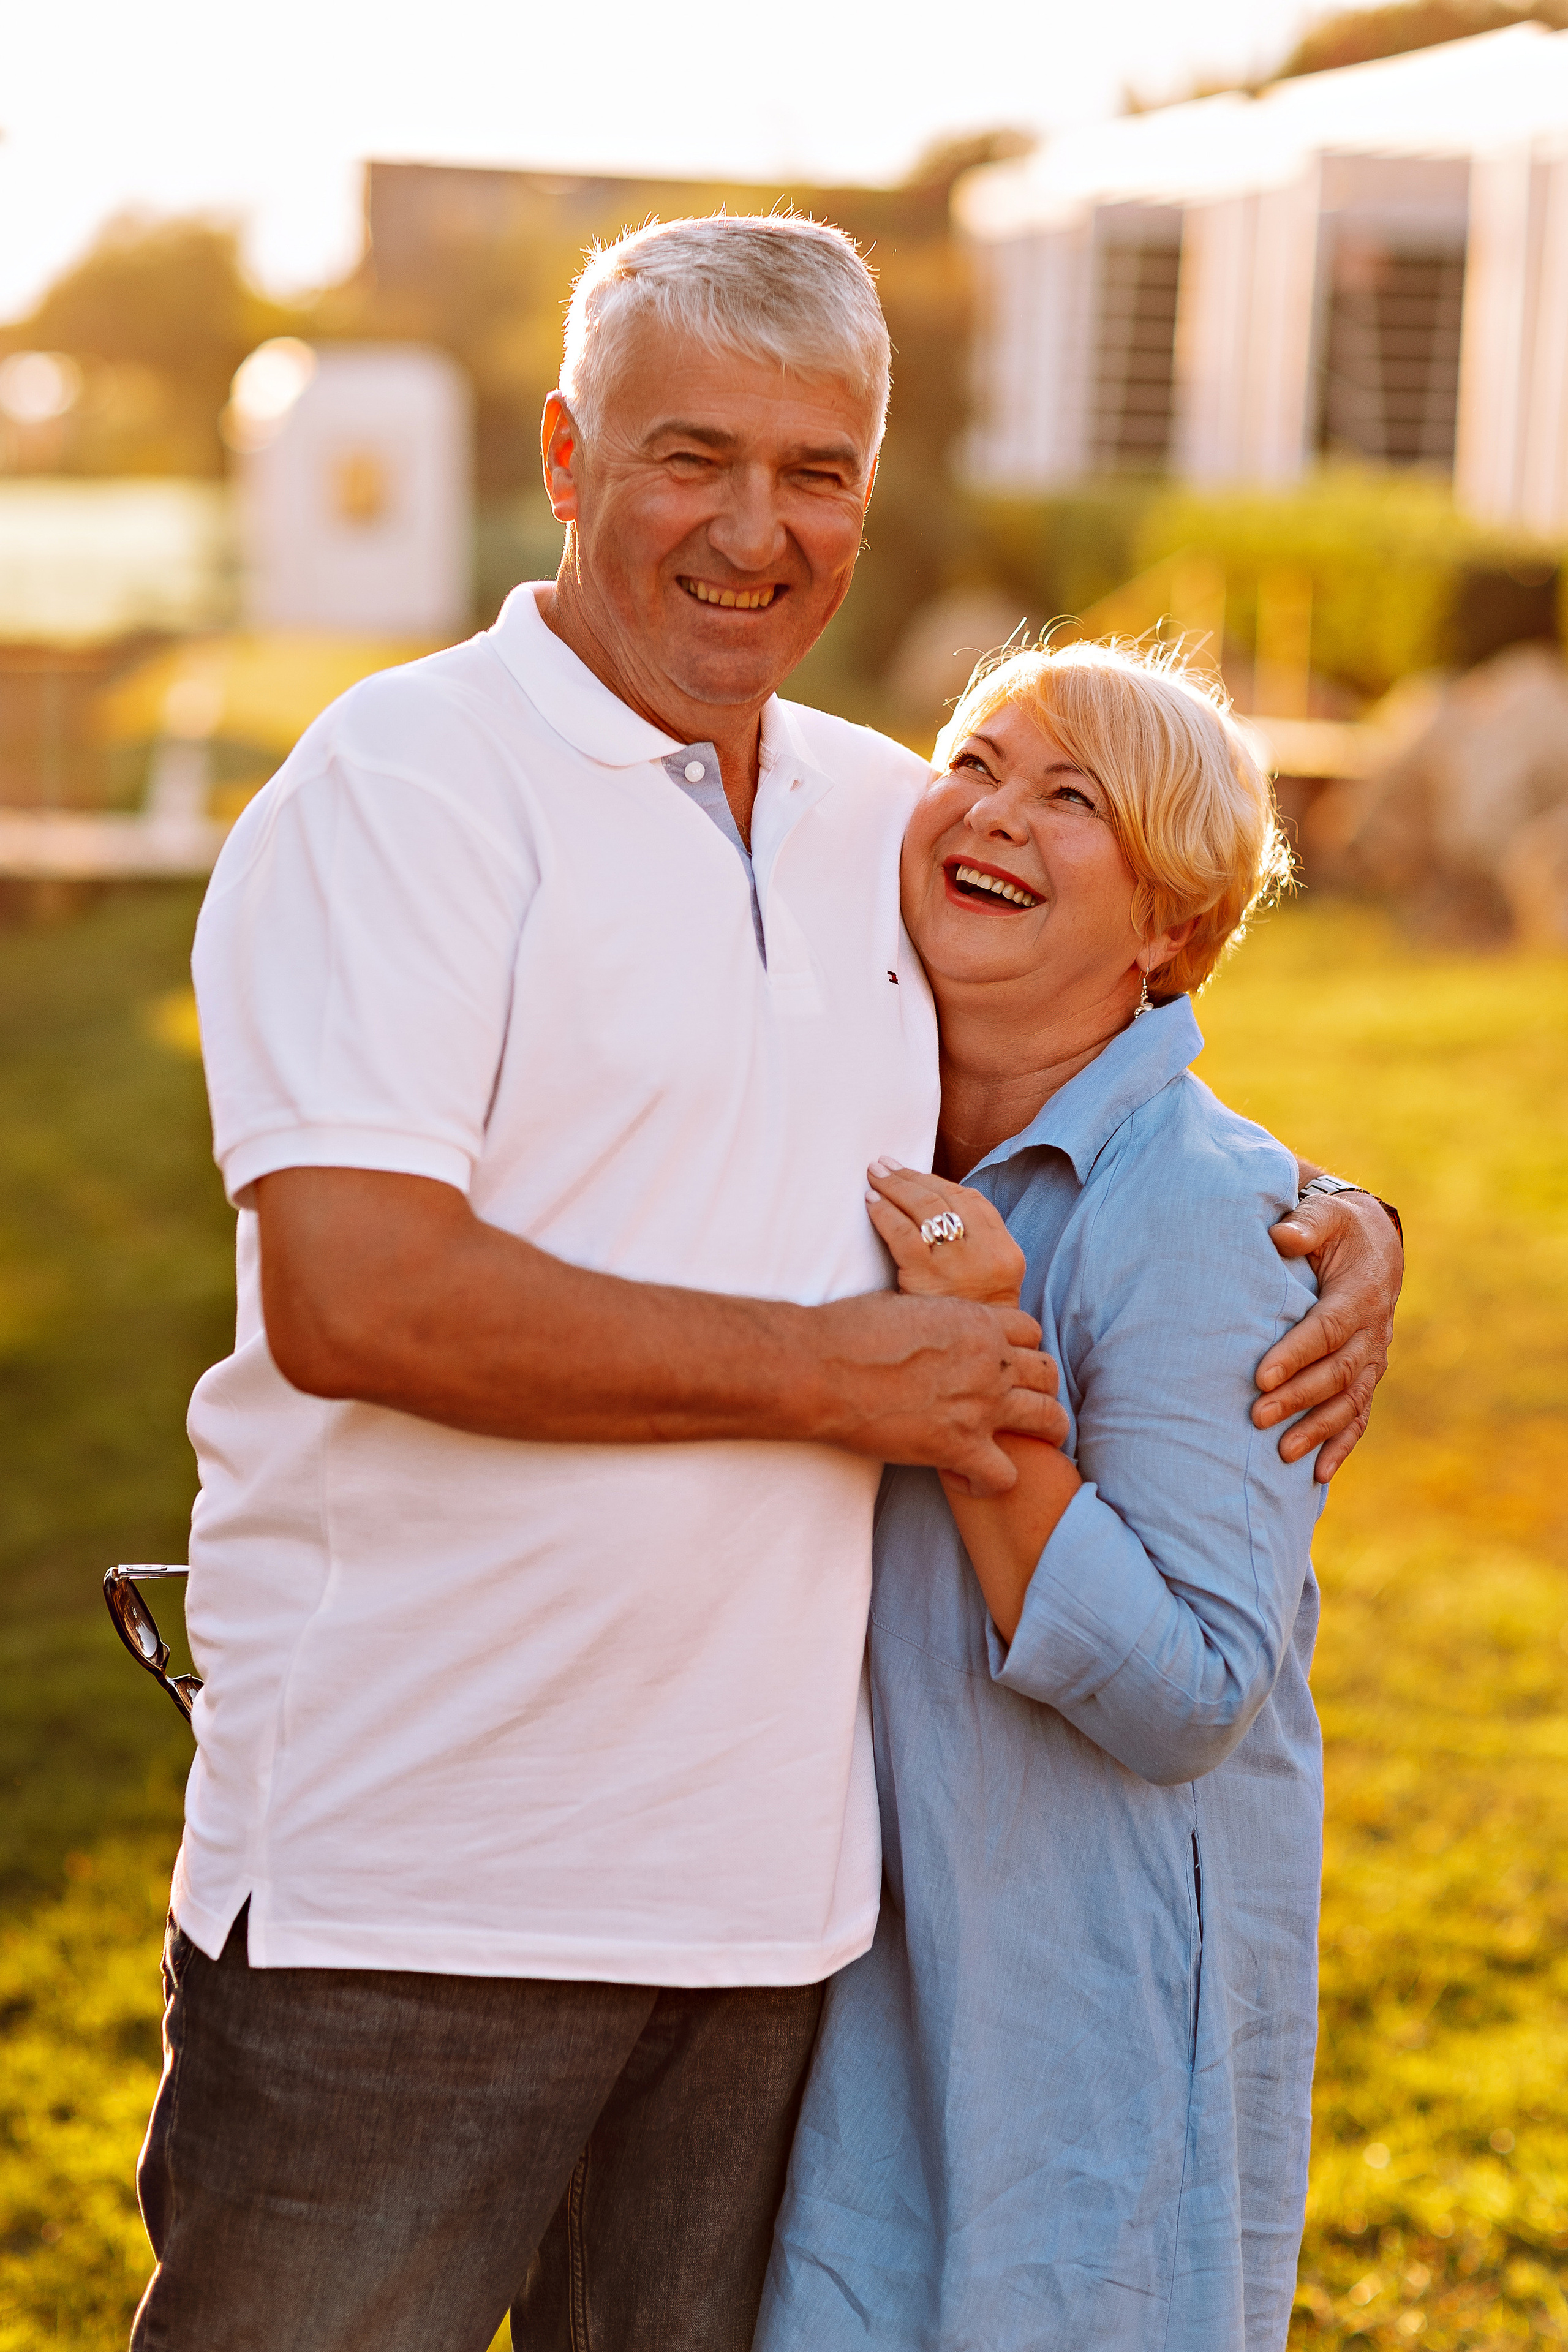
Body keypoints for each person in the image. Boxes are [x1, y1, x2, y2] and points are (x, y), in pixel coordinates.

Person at [134, 218, 1400, 2352]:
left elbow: (1116, 1005)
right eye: (688, 455)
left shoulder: (878, 815)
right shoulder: (406, 788)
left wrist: (1342, 1220)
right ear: (564, 452)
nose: (753, 531)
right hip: (415, 1893)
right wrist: (838, 1376)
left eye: (815, 472)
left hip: (777, 1929)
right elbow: (359, 1293)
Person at [755, 639, 1352, 2352]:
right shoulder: (876, 1146)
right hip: (881, 1978)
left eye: (1072, 798)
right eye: (978, 759)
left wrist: (989, 1388)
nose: (996, 811)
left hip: (1080, 2027)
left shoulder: (1208, 1215)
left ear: (1171, 930)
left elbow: (1190, 1693)